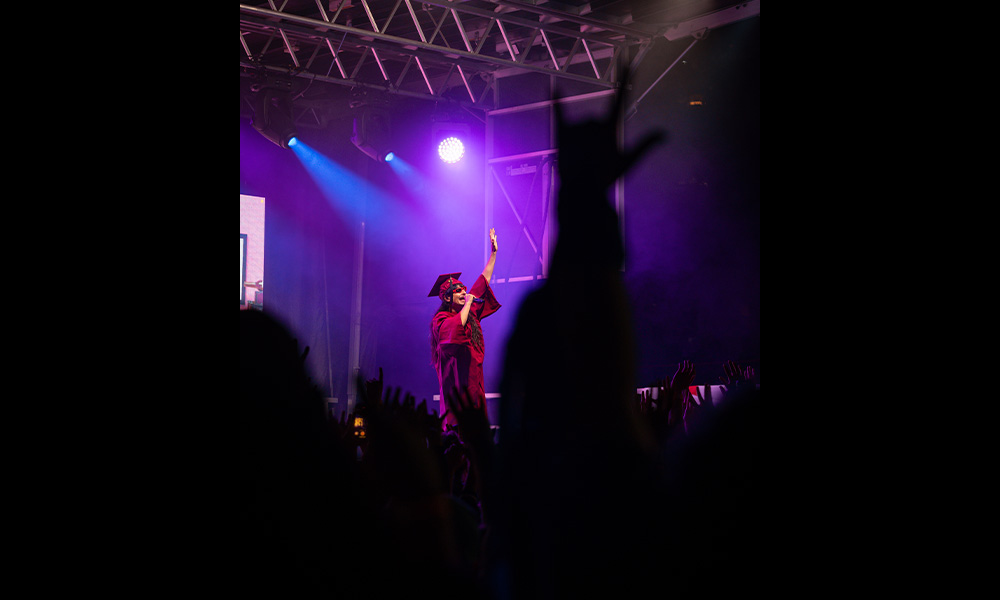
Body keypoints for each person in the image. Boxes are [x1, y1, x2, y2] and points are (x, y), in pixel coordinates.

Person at [430, 228, 501, 429]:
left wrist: (494, 254)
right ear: (446, 297)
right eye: (458, 291)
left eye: (464, 289)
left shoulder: (468, 314)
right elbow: (453, 332)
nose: (464, 292)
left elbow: (483, 281)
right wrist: (468, 302)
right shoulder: (441, 319)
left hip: (475, 386)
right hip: (457, 391)